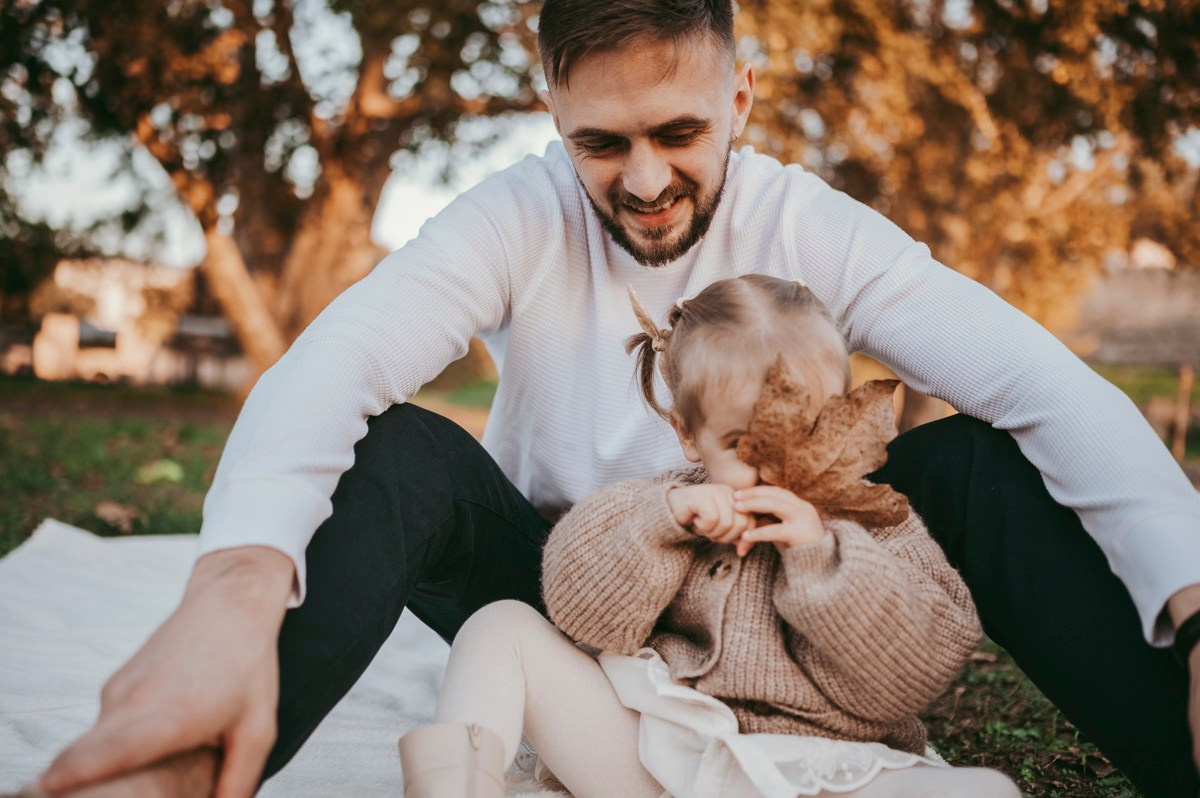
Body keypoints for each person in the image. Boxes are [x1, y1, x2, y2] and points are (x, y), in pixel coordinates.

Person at [32, 1, 1200, 797]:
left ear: (742, 94)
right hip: (568, 590)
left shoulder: (811, 226)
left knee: (983, 465)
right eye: (603, 143)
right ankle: (185, 770)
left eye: (680, 132)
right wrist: (233, 588)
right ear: (552, 114)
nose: (644, 182)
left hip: (782, 593)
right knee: (395, 451)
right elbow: (335, 364)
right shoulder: (514, 216)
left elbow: (1040, 379)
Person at [397, 275, 1022, 798]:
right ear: (689, 435)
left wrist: (822, 556)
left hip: (822, 774)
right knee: (500, 626)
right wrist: (663, 523)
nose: (774, 465)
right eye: (742, 445)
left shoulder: (877, 521)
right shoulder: (664, 503)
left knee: (988, 792)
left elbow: (913, 673)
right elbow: (582, 615)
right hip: (659, 763)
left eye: (801, 432)